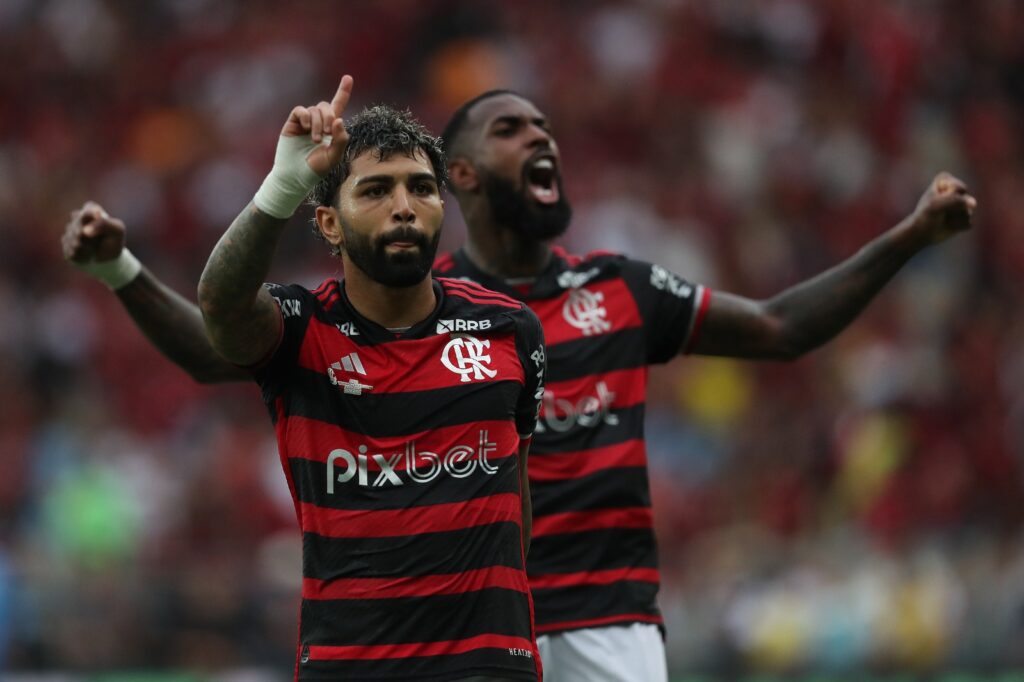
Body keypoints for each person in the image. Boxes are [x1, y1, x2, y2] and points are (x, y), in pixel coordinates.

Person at [65, 89, 976, 682]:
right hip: (397, 642)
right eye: (510, 129)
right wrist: (129, 270)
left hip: (581, 617)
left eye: (546, 127)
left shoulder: (574, 307)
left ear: (439, 194)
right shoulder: (340, 320)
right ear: (462, 176)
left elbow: (779, 328)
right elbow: (215, 336)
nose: (540, 138)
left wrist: (906, 238)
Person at [157, 75, 547, 682]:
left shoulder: (510, 330)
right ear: (330, 224)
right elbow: (222, 306)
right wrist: (282, 186)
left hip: (489, 664)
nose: (403, 206)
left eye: (422, 188)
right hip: (349, 666)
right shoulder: (299, 329)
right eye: (376, 189)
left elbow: (516, 494)